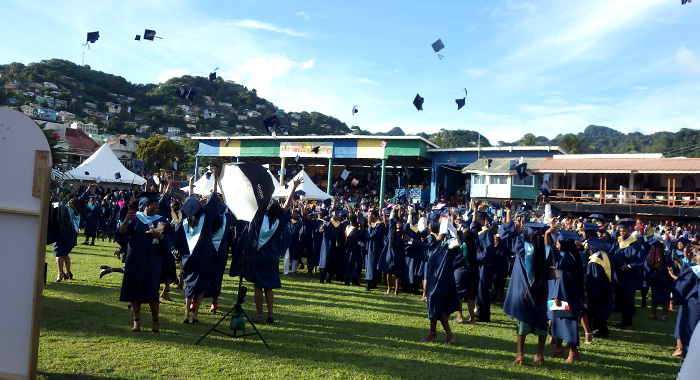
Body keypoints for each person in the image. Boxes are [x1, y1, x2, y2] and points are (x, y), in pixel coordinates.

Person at [244, 177, 302, 323]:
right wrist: (293, 188)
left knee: (258, 286)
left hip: (258, 257)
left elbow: (258, 204)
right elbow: (287, 206)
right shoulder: (280, 221)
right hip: (272, 257)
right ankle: (270, 314)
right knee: (269, 287)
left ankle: (259, 316)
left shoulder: (259, 219)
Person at [117, 192, 169, 333]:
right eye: (154, 205)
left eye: (158, 205)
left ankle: (155, 322)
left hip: (153, 259)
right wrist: (126, 221)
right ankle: (136, 322)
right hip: (135, 259)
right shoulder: (135, 219)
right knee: (135, 291)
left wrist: (159, 236)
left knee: (152, 291)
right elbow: (121, 236)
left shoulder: (162, 220)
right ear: (146, 205)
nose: (157, 207)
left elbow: (168, 241)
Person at [501, 218, 550, 366]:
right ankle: (539, 355)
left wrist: (509, 214)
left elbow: (507, 235)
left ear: (528, 235)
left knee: (522, 323)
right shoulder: (546, 250)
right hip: (540, 291)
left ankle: (520, 355)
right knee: (541, 322)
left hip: (525, 291)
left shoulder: (523, 248)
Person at [547, 230, 585, 364]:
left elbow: (562, 277)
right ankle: (558, 347)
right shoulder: (569, 255)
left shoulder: (567, 258)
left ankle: (573, 352)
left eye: (557, 242)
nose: (556, 244)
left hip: (564, 296)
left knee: (567, 323)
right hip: (559, 294)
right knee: (557, 321)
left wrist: (546, 235)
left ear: (563, 244)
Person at [421, 219, 458, 344]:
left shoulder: (448, 245)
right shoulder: (435, 245)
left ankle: (433, 334)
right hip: (434, 279)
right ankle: (447, 334)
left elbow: (458, 240)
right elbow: (424, 248)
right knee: (438, 307)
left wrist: (449, 226)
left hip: (441, 281)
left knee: (434, 306)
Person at [612, 220, 647, 330]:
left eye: (624, 231)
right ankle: (623, 321)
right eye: (620, 231)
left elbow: (641, 261)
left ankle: (629, 323)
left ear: (629, 230)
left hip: (628, 276)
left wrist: (629, 266)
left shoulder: (634, 244)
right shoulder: (617, 241)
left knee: (628, 298)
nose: (622, 233)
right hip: (618, 275)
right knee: (620, 298)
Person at [52, 195, 81, 282]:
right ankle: (68, 272)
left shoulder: (66, 210)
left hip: (63, 234)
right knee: (65, 254)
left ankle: (60, 273)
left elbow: (56, 207)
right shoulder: (77, 213)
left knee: (58, 254)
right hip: (72, 236)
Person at [364, 209, 386, 291]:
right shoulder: (373, 224)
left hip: (375, 247)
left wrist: (369, 226)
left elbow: (373, 235)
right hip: (370, 246)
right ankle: (372, 282)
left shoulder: (379, 225)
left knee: (372, 264)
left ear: (374, 216)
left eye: (369, 215)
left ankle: (369, 282)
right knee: (369, 264)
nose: (368, 216)